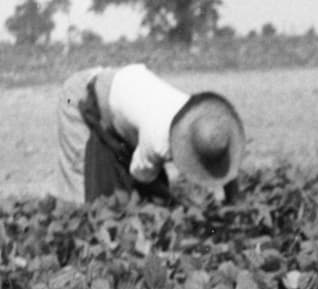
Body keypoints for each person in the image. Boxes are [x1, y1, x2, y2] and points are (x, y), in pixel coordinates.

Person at [55, 63, 244, 204]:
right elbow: (141, 180)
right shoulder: (158, 139)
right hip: (78, 98)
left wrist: (233, 199)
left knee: (114, 190)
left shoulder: (200, 119)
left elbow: (223, 158)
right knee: (83, 193)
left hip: (120, 99)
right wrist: (175, 204)